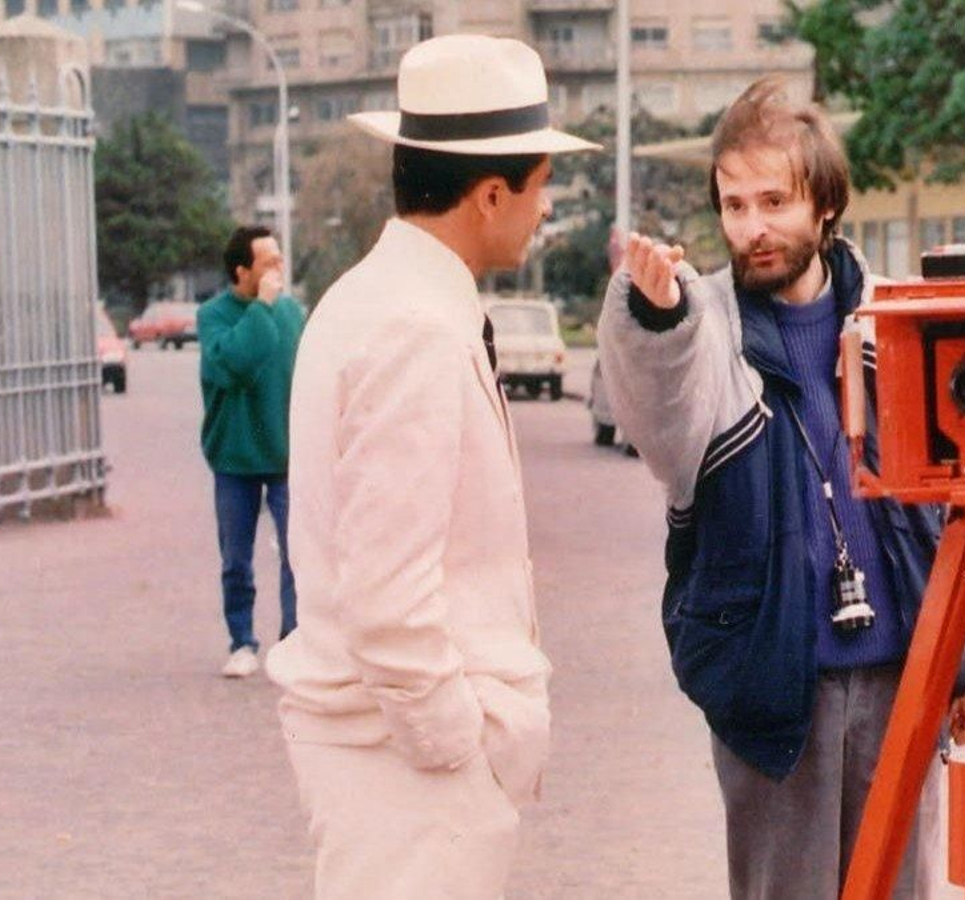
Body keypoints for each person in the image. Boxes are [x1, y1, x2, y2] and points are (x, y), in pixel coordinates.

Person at [597, 77, 965, 899]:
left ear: (826, 207)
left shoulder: (891, 326)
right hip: (776, 690)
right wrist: (655, 316)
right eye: (734, 205)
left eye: (775, 200)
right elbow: (658, 418)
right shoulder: (706, 326)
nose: (753, 227)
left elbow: (947, 509)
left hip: (901, 686)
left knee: (902, 889)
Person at [262, 36, 597, 898]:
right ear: (490, 194)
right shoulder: (415, 326)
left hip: (394, 759)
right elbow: (388, 602)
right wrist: (462, 750)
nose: (545, 207)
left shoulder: (379, 300)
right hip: (408, 772)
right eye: (539, 185)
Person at [198, 225, 305, 678]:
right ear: (243, 271)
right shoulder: (213, 316)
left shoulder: (293, 313)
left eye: (280, 259)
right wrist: (261, 307)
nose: (279, 268)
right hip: (235, 458)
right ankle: (242, 641)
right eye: (269, 262)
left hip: (286, 457)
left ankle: (293, 641)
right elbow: (236, 364)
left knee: (297, 556)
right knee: (236, 559)